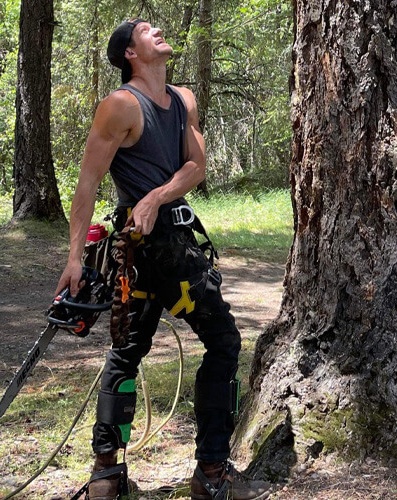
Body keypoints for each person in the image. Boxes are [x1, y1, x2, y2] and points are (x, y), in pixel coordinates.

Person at [56, 18, 272, 500]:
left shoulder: (184, 99)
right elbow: (87, 184)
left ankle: (208, 471)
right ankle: (107, 474)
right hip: (135, 252)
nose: (156, 31)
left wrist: (155, 197)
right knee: (133, 352)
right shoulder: (118, 106)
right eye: (145, 30)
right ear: (130, 53)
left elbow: (196, 165)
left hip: (177, 245)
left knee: (221, 343)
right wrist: (74, 259)